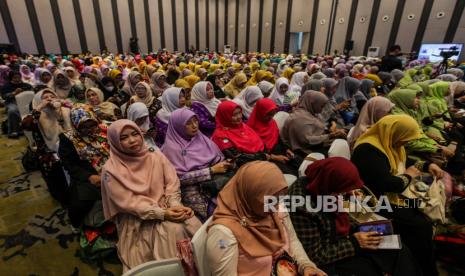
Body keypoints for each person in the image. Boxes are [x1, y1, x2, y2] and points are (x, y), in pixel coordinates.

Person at [289, 157, 422, 276]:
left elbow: (339, 214)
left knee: (399, 249)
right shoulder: (302, 207)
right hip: (329, 259)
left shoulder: (322, 183)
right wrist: (354, 243)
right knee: (376, 265)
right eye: (343, 191)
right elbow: (315, 256)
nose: (348, 194)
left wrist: (360, 228)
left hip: (341, 241)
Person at [101, 119, 201, 273]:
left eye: (135, 134)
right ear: (115, 142)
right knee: (172, 231)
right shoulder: (110, 170)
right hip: (138, 218)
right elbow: (129, 203)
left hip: (168, 206)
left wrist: (175, 205)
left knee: (191, 225)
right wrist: (162, 214)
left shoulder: (155, 155)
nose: (132, 140)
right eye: (124, 138)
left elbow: (171, 182)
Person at [351, 114, 444, 276]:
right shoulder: (368, 151)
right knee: (420, 225)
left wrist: (427, 165)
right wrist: (408, 176)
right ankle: (422, 267)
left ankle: (422, 261)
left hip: (390, 195)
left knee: (423, 210)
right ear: (395, 132)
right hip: (375, 201)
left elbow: (405, 162)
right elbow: (388, 184)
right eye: (405, 138)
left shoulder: (389, 142)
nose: (406, 143)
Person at [206, 161, 327, 276]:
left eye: (279, 198)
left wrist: (306, 266)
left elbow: (293, 241)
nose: (275, 206)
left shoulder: (275, 208)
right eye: (269, 201)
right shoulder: (222, 235)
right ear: (250, 195)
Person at [162, 109, 232, 221]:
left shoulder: (200, 138)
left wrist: (225, 163)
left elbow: (217, 157)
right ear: (179, 126)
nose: (194, 126)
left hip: (216, 181)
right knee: (221, 211)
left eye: (195, 121)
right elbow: (178, 179)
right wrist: (210, 171)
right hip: (193, 190)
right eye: (188, 123)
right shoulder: (171, 149)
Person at [58, 105, 110, 228]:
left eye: (92, 125)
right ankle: (79, 225)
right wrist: (89, 176)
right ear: (76, 124)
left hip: (113, 168)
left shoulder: (104, 130)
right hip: (88, 173)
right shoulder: (68, 138)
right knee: (81, 203)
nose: (90, 130)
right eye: (84, 127)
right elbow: (69, 164)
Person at [21, 89, 72, 204]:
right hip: (49, 152)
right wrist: (39, 107)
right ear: (38, 101)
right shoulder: (37, 115)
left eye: (52, 96)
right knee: (56, 171)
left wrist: (64, 105)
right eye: (45, 97)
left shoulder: (64, 110)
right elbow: (25, 125)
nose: (49, 99)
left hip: (69, 146)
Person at [281, 92, 346, 158]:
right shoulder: (300, 119)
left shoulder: (311, 113)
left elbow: (322, 121)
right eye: (321, 106)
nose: (322, 109)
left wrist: (332, 132)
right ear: (313, 103)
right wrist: (329, 136)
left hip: (314, 145)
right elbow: (306, 140)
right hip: (301, 150)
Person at [1, 70, 33, 138]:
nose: (17, 79)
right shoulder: (6, 86)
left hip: (26, 103)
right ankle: (14, 131)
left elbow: (32, 93)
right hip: (12, 102)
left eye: (19, 77)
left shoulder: (26, 85)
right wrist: (14, 93)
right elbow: (4, 97)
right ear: (11, 78)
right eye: (15, 78)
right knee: (12, 111)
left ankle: (31, 129)